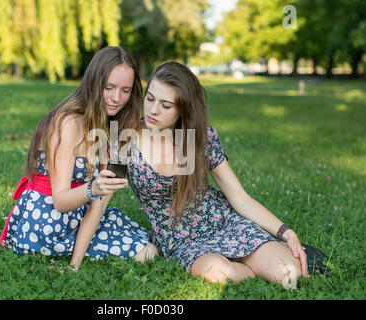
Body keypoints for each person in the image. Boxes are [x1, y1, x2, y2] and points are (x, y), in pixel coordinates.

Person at [125, 61, 309, 285]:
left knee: (289, 273)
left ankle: (263, 252)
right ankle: (250, 265)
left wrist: (286, 232)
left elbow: (239, 197)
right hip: (180, 239)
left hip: (220, 220)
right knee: (216, 272)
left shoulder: (202, 138)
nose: (153, 110)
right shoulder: (127, 137)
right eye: (150, 98)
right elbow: (100, 192)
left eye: (166, 105)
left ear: (183, 109)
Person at [0, 46, 158, 270]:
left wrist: (75, 264)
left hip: (80, 213)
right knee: (147, 253)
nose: (116, 98)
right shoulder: (69, 123)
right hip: (48, 222)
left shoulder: (112, 127)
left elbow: (98, 208)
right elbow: (61, 201)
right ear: (93, 83)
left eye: (125, 90)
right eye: (108, 87)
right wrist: (94, 187)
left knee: (151, 243)